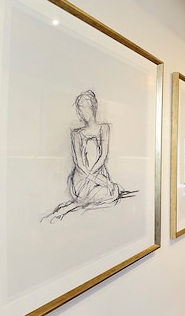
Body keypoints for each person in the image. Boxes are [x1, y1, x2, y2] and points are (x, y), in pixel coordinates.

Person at [42, 90, 135, 223]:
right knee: (111, 192)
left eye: (85, 107)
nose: (83, 112)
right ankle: (77, 202)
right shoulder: (76, 134)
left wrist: (98, 179)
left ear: (93, 107)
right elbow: (79, 164)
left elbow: (103, 156)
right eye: (80, 109)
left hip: (98, 175)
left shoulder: (104, 129)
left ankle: (69, 207)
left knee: (109, 193)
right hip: (81, 179)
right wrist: (95, 180)